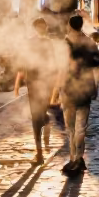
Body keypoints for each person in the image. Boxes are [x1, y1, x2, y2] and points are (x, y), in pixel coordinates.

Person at [14, 18, 61, 164]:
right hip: (40, 83)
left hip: (37, 83)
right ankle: (41, 145)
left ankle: (39, 151)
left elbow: (22, 65)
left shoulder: (32, 43)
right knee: (39, 115)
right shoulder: (47, 43)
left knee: (37, 116)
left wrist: (17, 85)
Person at [60, 13, 99, 177]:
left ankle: (73, 158)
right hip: (85, 87)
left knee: (70, 128)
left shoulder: (65, 44)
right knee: (81, 128)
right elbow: (97, 68)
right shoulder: (90, 42)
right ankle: (79, 157)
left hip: (69, 88)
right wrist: (96, 86)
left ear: (70, 26)